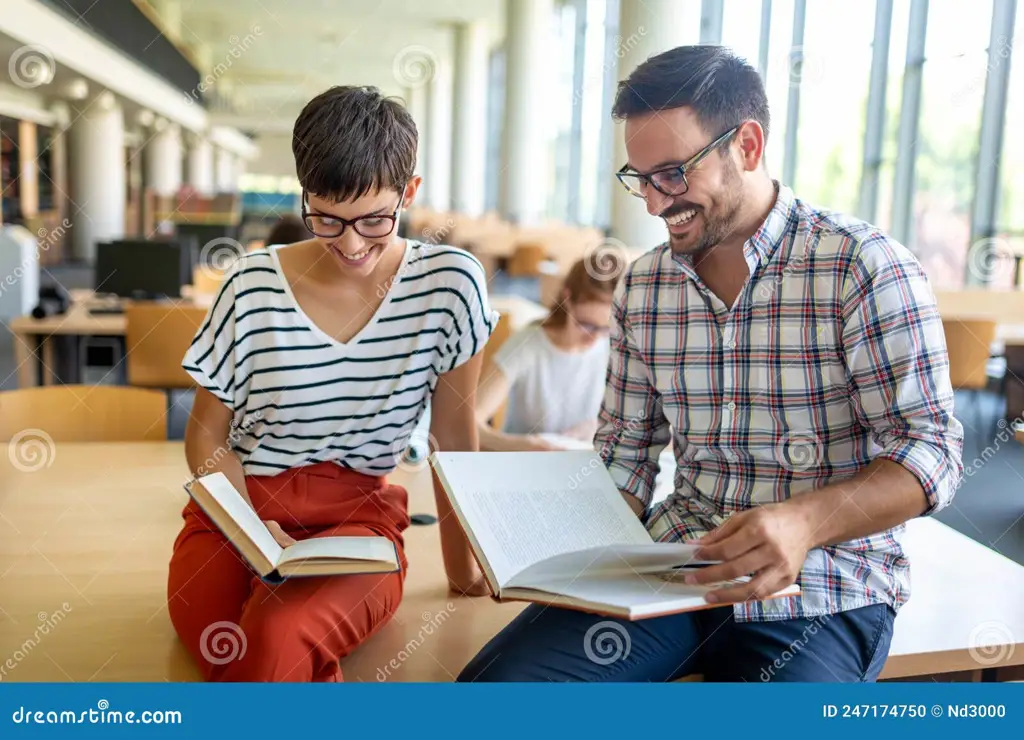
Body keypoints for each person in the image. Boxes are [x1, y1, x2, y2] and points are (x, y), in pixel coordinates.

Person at [458, 45, 963, 683]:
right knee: (499, 694)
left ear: (746, 146)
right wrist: (536, 548)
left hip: (824, 586)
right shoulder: (644, 287)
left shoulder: (861, 266)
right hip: (674, 567)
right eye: (639, 177)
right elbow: (624, 456)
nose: (651, 203)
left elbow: (933, 452)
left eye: (672, 173)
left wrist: (805, 521)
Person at [168, 85, 495, 682]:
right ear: (304, 197)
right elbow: (208, 438)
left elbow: (455, 435)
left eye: (375, 219)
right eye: (327, 218)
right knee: (226, 645)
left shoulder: (450, 283)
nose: (351, 244)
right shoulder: (250, 284)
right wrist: (245, 522)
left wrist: (464, 569)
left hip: (358, 521)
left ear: (410, 192)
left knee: (279, 635)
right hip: (238, 506)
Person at [475, 253, 621, 452]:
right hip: (523, 468)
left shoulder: (613, 348)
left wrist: (598, 426)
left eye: (606, 328)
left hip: (583, 469)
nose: (594, 338)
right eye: (586, 325)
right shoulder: (527, 345)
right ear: (567, 298)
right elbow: (471, 423)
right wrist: (518, 446)